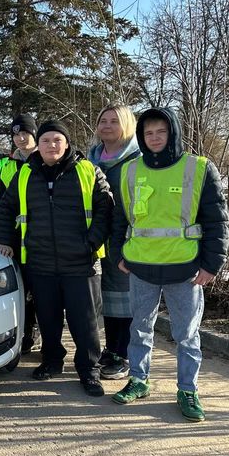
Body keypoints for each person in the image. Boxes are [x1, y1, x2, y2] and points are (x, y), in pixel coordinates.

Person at [109, 107, 228, 422]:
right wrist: (118, 255)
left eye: (161, 131)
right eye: (149, 133)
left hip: (185, 268)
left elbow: (217, 221)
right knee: (140, 327)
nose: (155, 138)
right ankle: (138, 380)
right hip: (141, 266)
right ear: (141, 137)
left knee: (186, 333)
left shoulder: (199, 168)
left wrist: (212, 265)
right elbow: (119, 217)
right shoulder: (130, 170)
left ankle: (187, 390)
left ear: (172, 133)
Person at [0, 120, 113, 397]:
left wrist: (91, 243)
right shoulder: (24, 173)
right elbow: (6, 207)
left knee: (84, 322)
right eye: (46, 140)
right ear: (40, 143)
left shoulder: (87, 171)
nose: (51, 145)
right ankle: (52, 361)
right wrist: (5, 241)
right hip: (39, 261)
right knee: (47, 319)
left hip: (81, 262)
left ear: (67, 143)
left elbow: (105, 210)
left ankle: (89, 371)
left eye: (57, 140)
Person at [87, 105, 141, 380]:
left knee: (125, 297)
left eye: (114, 121)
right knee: (107, 298)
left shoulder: (137, 159)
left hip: (126, 237)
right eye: (102, 120)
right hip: (99, 238)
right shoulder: (91, 157)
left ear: (127, 125)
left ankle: (125, 353)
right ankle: (112, 348)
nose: (107, 126)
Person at [7, 113, 40, 354]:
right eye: (16, 135)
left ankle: (38, 332)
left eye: (25, 133)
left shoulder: (47, 158)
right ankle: (26, 333)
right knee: (22, 288)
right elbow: (4, 203)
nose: (20, 138)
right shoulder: (9, 165)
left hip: (42, 237)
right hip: (19, 239)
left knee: (42, 291)